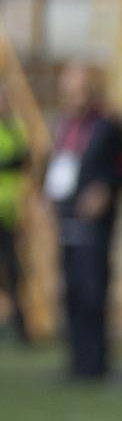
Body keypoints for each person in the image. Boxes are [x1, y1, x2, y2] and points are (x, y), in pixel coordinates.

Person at [45, 64, 122, 382]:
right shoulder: (65, 124)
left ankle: (94, 363)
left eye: (81, 89)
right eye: (69, 89)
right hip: (66, 217)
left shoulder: (109, 125)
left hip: (95, 223)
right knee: (70, 290)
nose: (74, 96)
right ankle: (75, 361)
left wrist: (105, 188)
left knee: (92, 289)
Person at [0, 92, 30, 344]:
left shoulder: (15, 127)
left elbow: (25, 159)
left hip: (9, 213)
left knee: (14, 272)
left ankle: (22, 328)